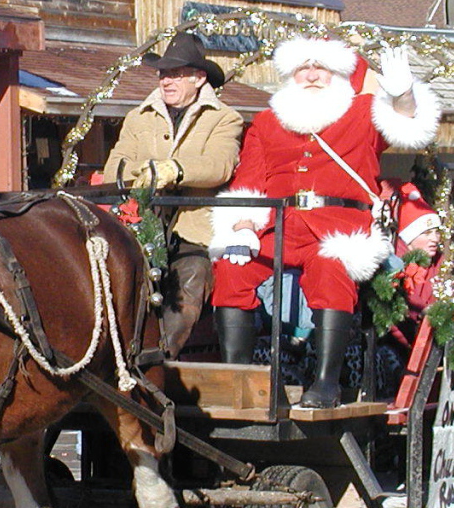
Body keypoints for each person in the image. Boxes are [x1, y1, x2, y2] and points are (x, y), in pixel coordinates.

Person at [209, 37, 440, 408]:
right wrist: (242, 228)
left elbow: (405, 126)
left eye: (322, 68)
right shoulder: (268, 122)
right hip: (279, 227)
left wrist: (404, 96)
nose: (312, 75)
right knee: (232, 269)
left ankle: (325, 382)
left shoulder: (363, 113)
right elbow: (249, 183)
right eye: (304, 68)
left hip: (339, 224)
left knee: (330, 269)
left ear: (338, 74)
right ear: (290, 74)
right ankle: (237, 378)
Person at [102, 32, 243, 357]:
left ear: (199, 78)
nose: (167, 81)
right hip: (137, 227)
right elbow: (115, 170)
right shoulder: (139, 117)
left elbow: (218, 165)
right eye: (164, 73)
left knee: (190, 281)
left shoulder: (224, 118)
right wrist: (152, 171)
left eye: (177, 74)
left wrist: (176, 170)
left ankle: (157, 361)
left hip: (192, 235)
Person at [388, 181, 442, 350]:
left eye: (436, 232)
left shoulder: (439, 265)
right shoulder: (392, 268)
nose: (435, 239)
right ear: (409, 237)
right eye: (426, 233)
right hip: (396, 347)